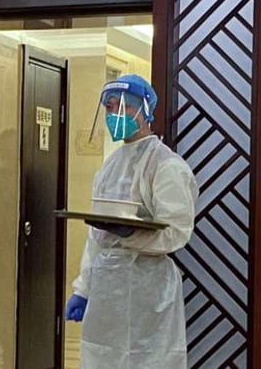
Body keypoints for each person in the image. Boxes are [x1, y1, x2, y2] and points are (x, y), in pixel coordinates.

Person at [64, 74, 198, 369]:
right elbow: (95, 238)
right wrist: (83, 288)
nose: (113, 114)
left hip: (147, 286)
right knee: (102, 357)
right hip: (106, 286)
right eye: (109, 107)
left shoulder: (166, 165)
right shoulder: (109, 167)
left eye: (120, 106)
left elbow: (176, 231)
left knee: (149, 360)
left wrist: (131, 234)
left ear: (143, 110)